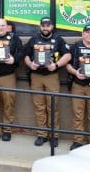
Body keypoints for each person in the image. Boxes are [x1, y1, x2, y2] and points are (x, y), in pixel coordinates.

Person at [24, 17, 71, 147]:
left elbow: (67, 55)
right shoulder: (33, 39)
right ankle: (42, 135)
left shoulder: (58, 39)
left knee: (53, 106)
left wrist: (56, 65)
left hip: (51, 76)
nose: (45, 28)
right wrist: (30, 64)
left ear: (52, 26)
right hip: (36, 76)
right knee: (39, 107)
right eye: (43, 25)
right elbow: (26, 55)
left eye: (48, 25)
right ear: (40, 26)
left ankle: (54, 135)